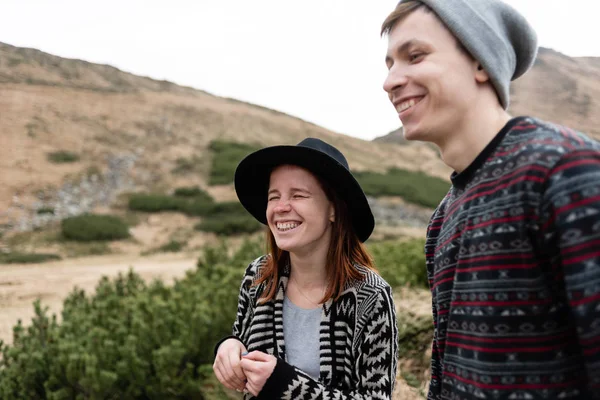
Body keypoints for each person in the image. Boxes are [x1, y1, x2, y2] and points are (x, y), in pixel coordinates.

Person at [380, 1, 600, 399]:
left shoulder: (565, 170)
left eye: (415, 56)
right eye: (390, 64)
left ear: (480, 62)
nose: (391, 81)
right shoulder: (443, 215)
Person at [212, 138, 398, 399]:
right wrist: (229, 346)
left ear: (333, 209)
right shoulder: (259, 276)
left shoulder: (370, 296)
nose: (280, 207)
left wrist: (285, 385)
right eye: (273, 196)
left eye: (298, 195)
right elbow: (240, 337)